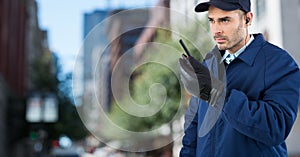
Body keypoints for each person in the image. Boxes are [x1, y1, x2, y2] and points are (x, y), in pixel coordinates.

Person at [178, 0, 300, 156]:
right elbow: (193, 129)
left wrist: (217, 94)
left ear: (247, 19)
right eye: (212, 20)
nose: (216, 30)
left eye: (225, 20)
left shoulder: (279, 63)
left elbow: (276, 128)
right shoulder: (209, 64)